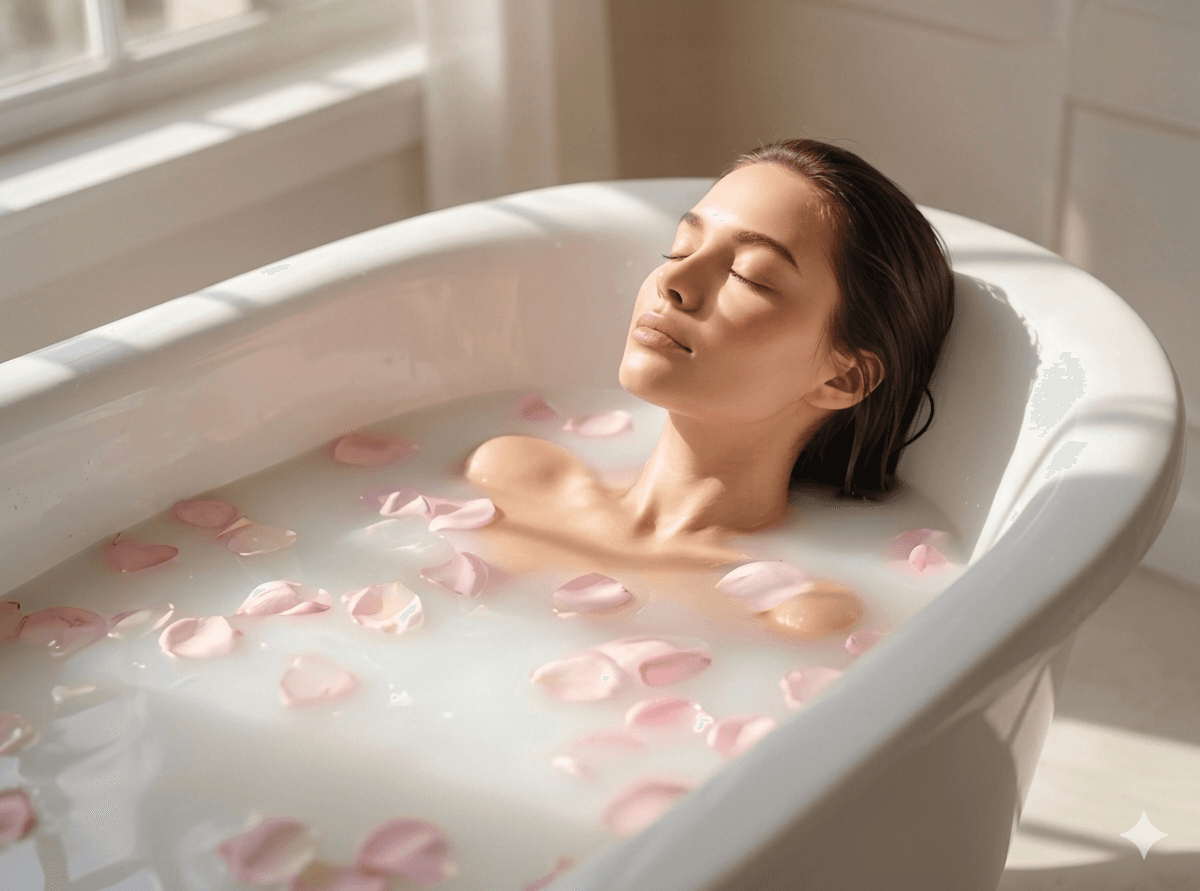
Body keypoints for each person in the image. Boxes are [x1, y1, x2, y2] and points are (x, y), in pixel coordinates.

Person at [465, 139, 954, 581]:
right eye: (680, 249)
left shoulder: (790, 614)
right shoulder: (510, 474)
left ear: (844, 378)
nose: (673, 282)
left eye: (749, 276)